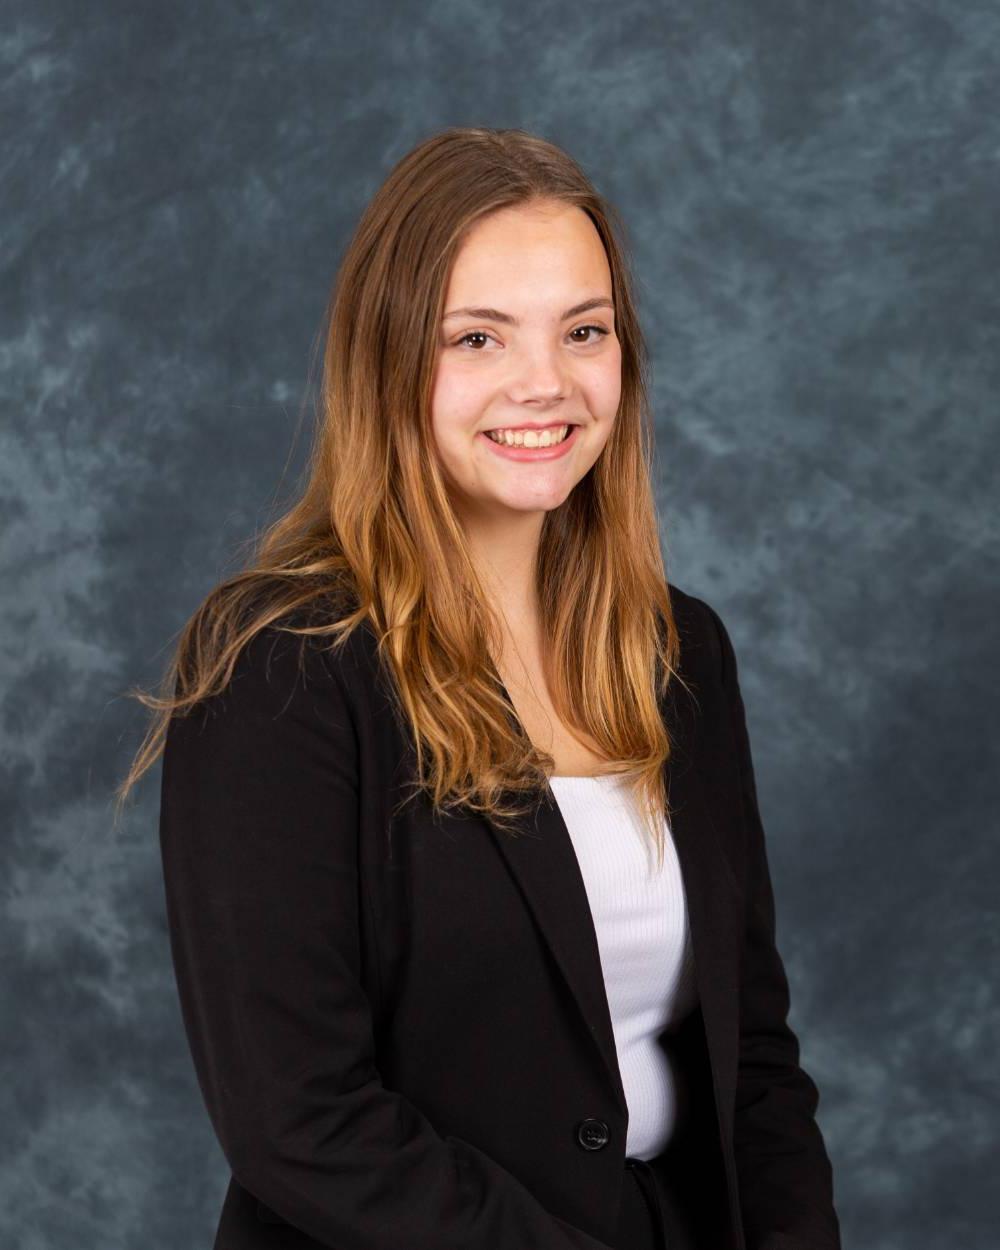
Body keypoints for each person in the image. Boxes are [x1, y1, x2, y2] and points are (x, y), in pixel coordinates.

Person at [119, 126, 841, 1250]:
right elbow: (301, 1120)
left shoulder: (679, 650)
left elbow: (751, 1057)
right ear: (391, 360)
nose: (543, 382)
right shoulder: (281, 663)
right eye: (478, 336)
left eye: (583, 331)